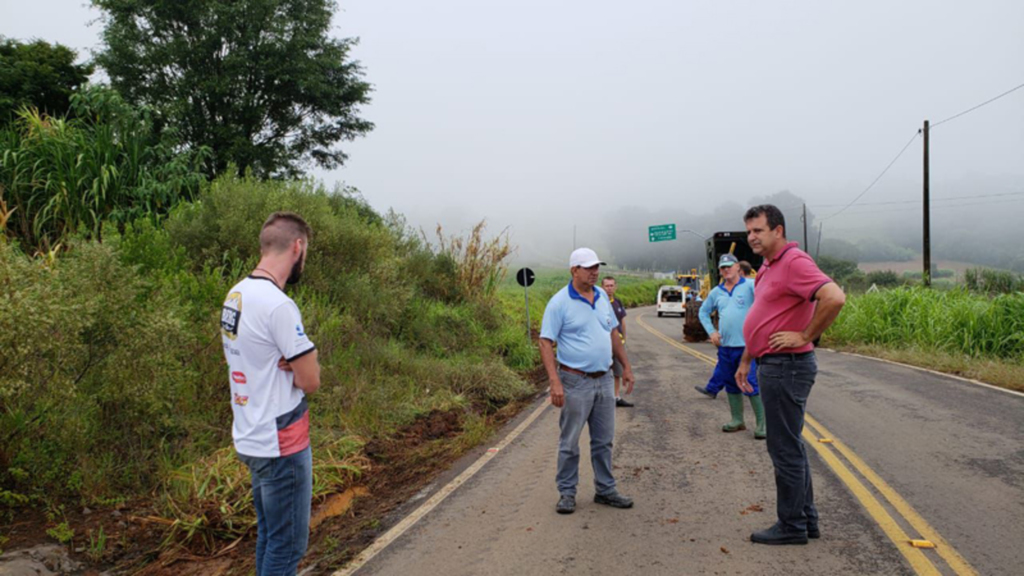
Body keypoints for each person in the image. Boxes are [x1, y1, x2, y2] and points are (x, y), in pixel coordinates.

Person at [735, 204, 845, 546]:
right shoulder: (768, 266)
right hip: (772, 363)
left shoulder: (794, 262)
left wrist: (805, 335)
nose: (751, 237)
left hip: (787, 365)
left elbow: (834, 297)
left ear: (778, 231)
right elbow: (765, 315)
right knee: (791, 446)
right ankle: (805, 520)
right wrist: (745, 359)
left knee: (784, 449)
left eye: (758, 230)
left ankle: (792, 525)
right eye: (749, 231)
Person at [221, 212, 322, 574]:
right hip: (281, 441)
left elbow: (255, 357)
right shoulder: (278, 305)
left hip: (251, 433)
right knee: (287, 545)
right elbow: (310, 380)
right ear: (297, 247)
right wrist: (300, 365)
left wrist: (291, 362)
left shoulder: (236, 295)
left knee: (270, 535)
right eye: (305, 251)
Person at [540, 248, 636, 515]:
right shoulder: (559, 303)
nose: (595, 272)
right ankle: (567, 493)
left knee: (603, 440)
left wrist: (626, 366)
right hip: (575, 381)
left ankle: (605, 490)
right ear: (574, 270)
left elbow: (613, 332)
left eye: (597, 267)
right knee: (570, 441)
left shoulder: (603, 297)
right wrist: (555, 382)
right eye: (589, 267)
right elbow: (545, 342)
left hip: (604, 379)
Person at [694, 254, 765, 440]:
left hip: (746, 347)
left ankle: (762, 424)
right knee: (730, 382)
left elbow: (765, 302)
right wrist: (711, 331)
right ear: (720, 270)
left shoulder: (750, 286)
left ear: (737, 267)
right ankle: (737, 420)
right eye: (723, 267)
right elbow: (703, 312)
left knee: (749, 382)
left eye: (729, 266)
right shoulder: (716, 292)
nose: (726, 270)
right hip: (725, 347)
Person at [601, 276, 633, 408]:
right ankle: (604, 398)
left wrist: (624, 339)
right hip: (604, 344)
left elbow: (622, 322)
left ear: (615, 287)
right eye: (607, 286)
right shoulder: (599, 303)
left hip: (618, 343)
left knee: (617, 372)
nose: (609, 288)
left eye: (611, 285)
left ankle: (616, 397)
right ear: (602, 287)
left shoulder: (617, 302)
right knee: (603, 371)